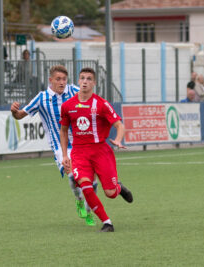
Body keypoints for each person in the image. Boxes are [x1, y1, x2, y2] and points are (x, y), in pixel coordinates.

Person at [10, 65, 97, 226]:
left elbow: (93, 100)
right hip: (60, 146)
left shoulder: (74, 91)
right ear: (50, 80)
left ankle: (89, 210)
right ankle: (79, 200)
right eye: (58, 79)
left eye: (64, 79)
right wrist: (14, 111)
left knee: (92, 182)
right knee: (73, 177)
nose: (62, 82)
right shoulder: (41, 98)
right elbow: (20, 115)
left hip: (82, 143)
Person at [60, 67, 133, 232]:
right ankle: (107, 222)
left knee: (110, 192)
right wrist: (65, 155)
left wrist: (118, 139)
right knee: (85, 185)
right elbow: (63, 131)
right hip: (79, 152)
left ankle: (119, 188)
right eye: (82, 78)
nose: (85, 81)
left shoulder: (101, 104)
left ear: (94, 83)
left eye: (88, 79)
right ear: (78, 81)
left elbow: (119, 125)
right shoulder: (67, 106)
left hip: (101, 151)